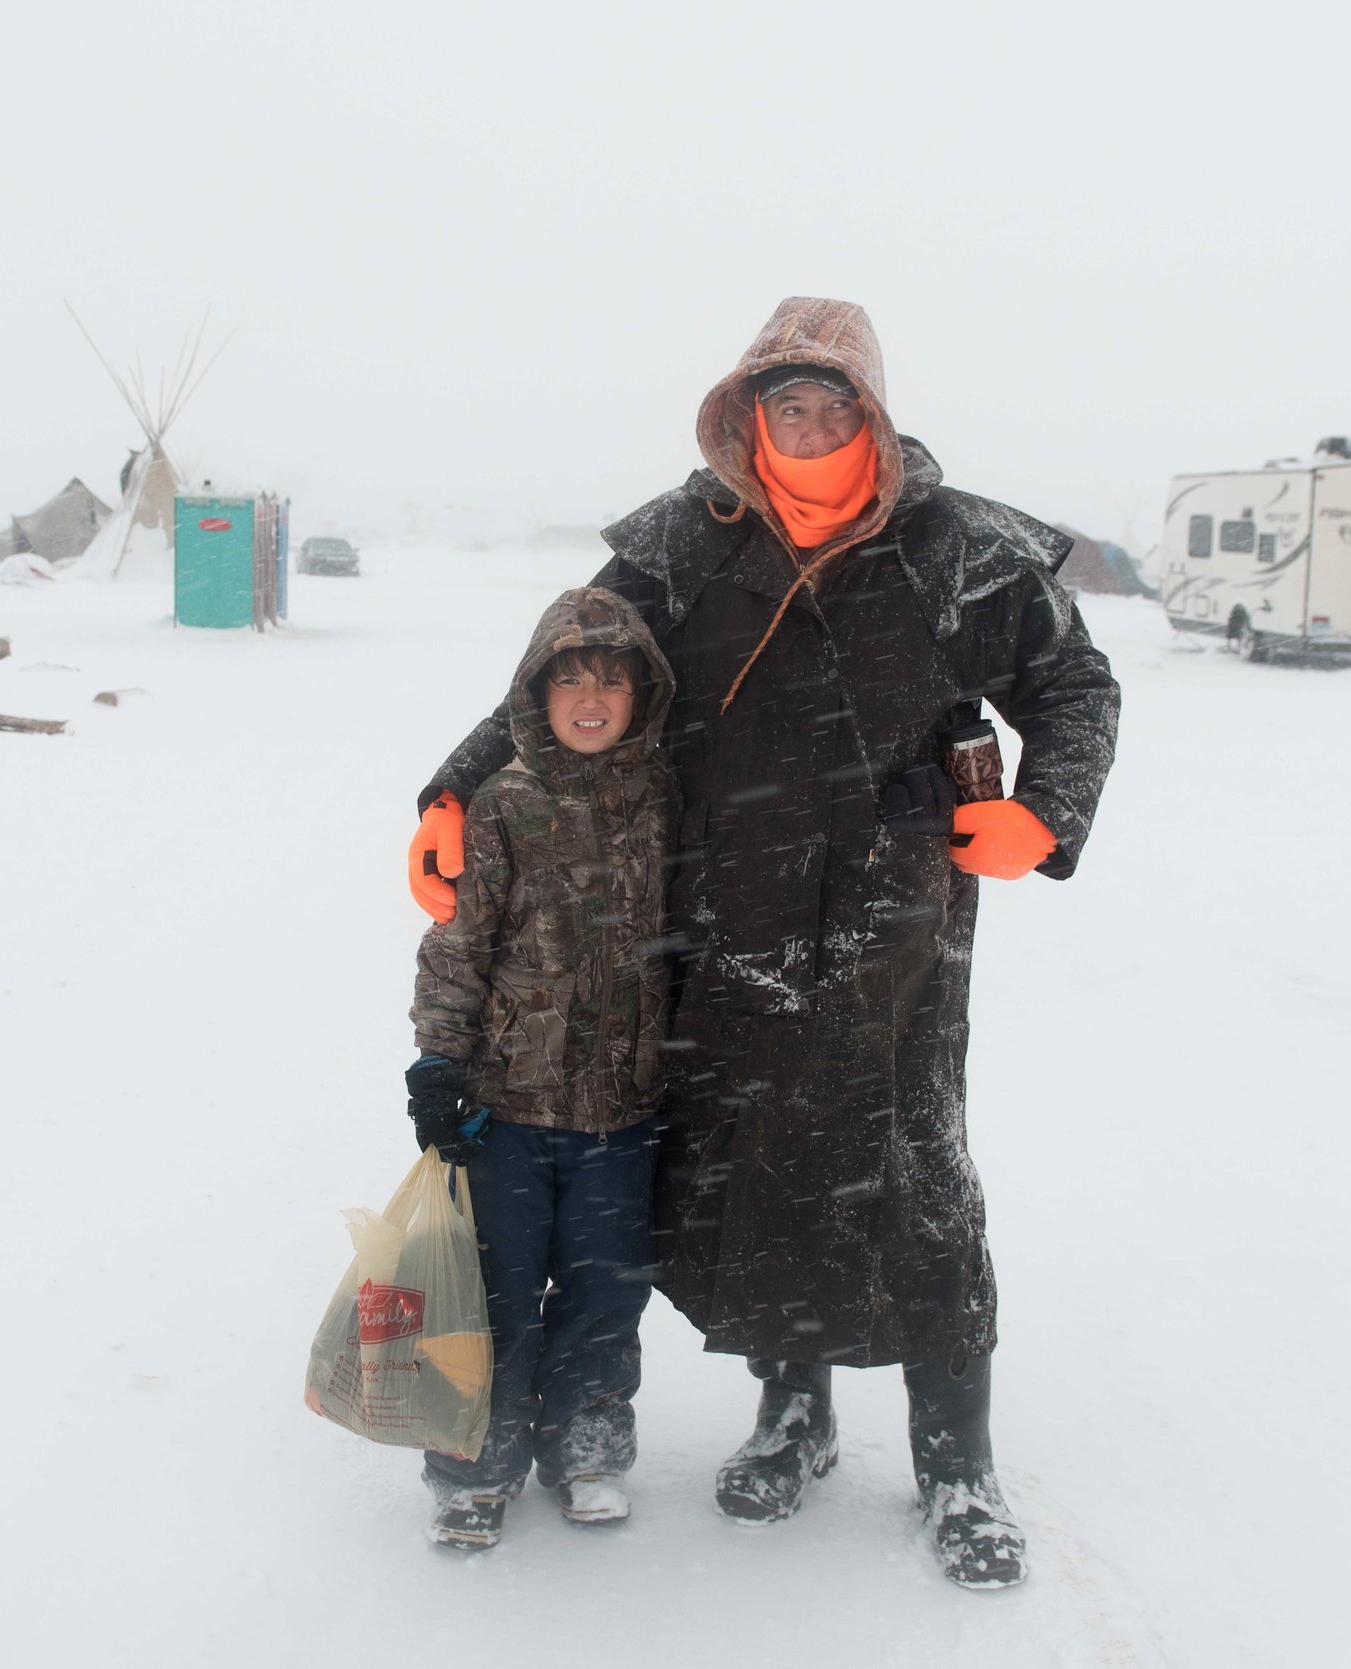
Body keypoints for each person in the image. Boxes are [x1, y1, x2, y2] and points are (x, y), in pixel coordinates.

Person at [407, 298, 1120, 1588]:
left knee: (916, 1182)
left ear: (873, 414)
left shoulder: (957, 550)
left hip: (894, 929)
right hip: (723, 915)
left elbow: (1076, 685)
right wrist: (450, 791)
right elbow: (564, 664)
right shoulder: (688, 543)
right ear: (747, 413)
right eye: (782, 402)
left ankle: (958, 1464)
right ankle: (795, 1417)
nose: (805, 424)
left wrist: (1043, 812)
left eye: (830, 402)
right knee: (776, 1171)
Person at [404, 586, 678, 1549]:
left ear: (643, 693)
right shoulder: (507, 802)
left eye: (612, 680)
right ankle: (475, 1467)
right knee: (494, 1292)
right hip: (507, 1110)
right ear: (537, 692)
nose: (592, 698)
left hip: (623, 1112)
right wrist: (437, 1060)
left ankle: (587, 1447)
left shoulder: (668, 799)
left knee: (605, 1293)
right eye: (571, 681)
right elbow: (459, 943)